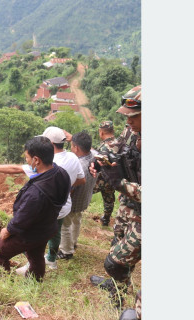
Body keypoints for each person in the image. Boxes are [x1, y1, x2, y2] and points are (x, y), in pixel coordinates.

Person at [0, 136, 70, 281]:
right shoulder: (61, 173)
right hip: (47, 226)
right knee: (36, 255)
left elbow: (22, 219)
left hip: (31, 232)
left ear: (36, 160)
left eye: (27, 158)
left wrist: (7, 230)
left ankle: (4, 284)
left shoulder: (36, 193)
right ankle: (35, 281)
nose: (26, 161)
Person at [89, 85, 142, 311]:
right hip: (128, 204)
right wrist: (102, 163)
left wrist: (119, 183)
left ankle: (120, 301)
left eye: (134, 116)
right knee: (116, 243)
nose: (128, 121)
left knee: (116, 261)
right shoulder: (132, 131)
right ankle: (117, 287)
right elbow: (120, 150)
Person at [21, 127, 85, 271]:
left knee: (35, 235)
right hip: (64, 204)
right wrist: (65, 185)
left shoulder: (46, 162)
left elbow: (15, 169)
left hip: (47, 208)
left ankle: (33, 264)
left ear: (49, 143)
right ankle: (51, 259)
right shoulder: (73, 157)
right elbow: (82, 180)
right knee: (55, 232)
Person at [58, 131, 97, 258]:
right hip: (84, 198)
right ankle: (73, 242)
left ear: (76, 148)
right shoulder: (93, 157)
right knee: (77, 220)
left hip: (74, 200)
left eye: (72, 146)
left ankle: (66, 251)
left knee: (65, 225)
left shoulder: (77, 164)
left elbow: (71, 187)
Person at [92, 121, 122, 226]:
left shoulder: (104, 146)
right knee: (109, 199)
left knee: (85, 191)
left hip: (101, 179)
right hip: (114, 179)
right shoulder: (120, 143)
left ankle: (76, 211)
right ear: (113, 131)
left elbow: (101, 159)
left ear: (101, 132)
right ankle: (106, 220)